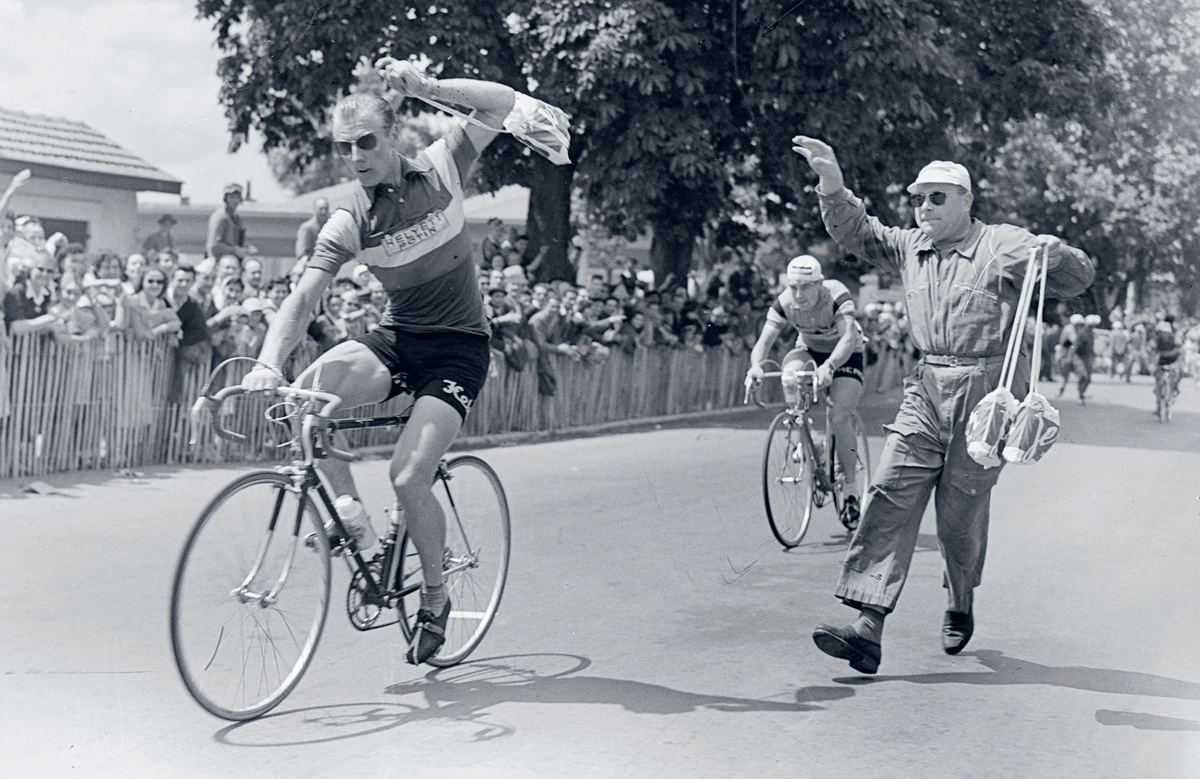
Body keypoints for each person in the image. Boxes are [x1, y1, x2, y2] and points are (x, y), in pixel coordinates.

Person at [240, 56, 528, 666]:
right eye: (346, 148)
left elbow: (501, 103)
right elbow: (304, 295)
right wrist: (269, 361)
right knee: (306, 398)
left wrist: (429, 88)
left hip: (458, 348)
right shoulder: (350, 219)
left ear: (392, 135)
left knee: (406, 475)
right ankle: (355, 525)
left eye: (367, 141)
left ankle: (435, 597)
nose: (357, 155)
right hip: (398, 337)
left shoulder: (443, 166)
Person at [792, 137, 1094, 674]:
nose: (924, 208)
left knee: (959, 518)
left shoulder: (1003, 244)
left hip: (987, 400)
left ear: (965, 201)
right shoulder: (911, 246)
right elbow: (857, 233)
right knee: (890, 492)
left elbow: (1073, 280)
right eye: (918, 199)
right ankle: (867, 624)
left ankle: (960, 599)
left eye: (937, 198)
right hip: (927, 387)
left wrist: (1058, 253)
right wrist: (833, 184)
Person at [745, 254, 866, 528]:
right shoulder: (785, 302)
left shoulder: (837, 294)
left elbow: (847, 338)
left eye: (805, 287)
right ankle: (809, 440)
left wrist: (830, 366)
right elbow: (764, 342)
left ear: (820, 284)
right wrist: (755, 367)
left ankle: (850, 488)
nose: (798, 294)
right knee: (790, 376)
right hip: (809, 349)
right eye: (793, 286)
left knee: (838, 417)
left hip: (845, 355)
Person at [206, 183, 257, 260]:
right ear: (226, 198)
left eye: (237, 197)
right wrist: (234, 250)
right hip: (219, 262)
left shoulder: (236, 218)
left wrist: (246, 248)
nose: (235, 200)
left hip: (234, 261)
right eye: (231, 197)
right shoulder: (220, 217)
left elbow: (236, 242)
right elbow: (214, 246)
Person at [1149, 316, 1181, 407]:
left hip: (1162, 360)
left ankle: (1159, 391)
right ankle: (1174, 389)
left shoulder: (1158, 337)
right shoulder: (1174, 335)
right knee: (1174, 375)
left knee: (1160, 376)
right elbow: (1179, 347)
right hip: (1172, 360)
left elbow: (1152, 347)